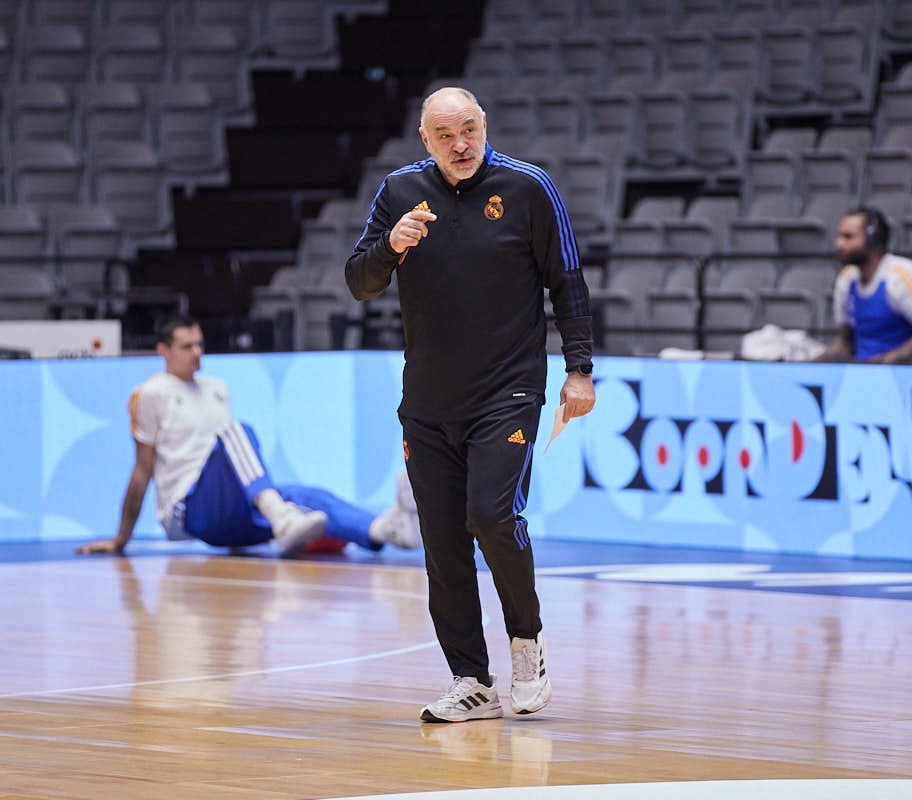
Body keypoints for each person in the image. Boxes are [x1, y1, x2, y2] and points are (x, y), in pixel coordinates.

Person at [344, 87, 596, 723]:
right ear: (424, 140)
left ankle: (526, 643)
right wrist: (390, 246)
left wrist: (579, 369)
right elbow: (359, 282)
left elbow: (567, 278)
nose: (461, 145)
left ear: (484, 127)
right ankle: (471, 681)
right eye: (446, 134)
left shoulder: (529, 189)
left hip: (507, 391)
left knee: (490, 516)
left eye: (470, 130)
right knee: (442, 543)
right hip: (428, 399)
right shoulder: (399, 193)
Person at [77, 314, 420, 559]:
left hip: (231, 514)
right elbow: (142, 470)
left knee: (308, 495)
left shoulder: (217, 388)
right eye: (186, 346)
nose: (197, 352)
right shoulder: (150, 393)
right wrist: (121, 539)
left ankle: (385, 530)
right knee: (238, 432)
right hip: (188, 509)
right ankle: (281, 517)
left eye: (199, 344)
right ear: (163, 351)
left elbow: (235, 466)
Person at [813, 207, 912, 364]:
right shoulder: (846, 279)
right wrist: (809, 365)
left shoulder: (902, 277)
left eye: (848, 237)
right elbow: (846, 341)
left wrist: (887, 360)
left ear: (872, 240)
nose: (839, 244)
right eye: (840, 236)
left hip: (902, 374)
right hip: (861, 372)